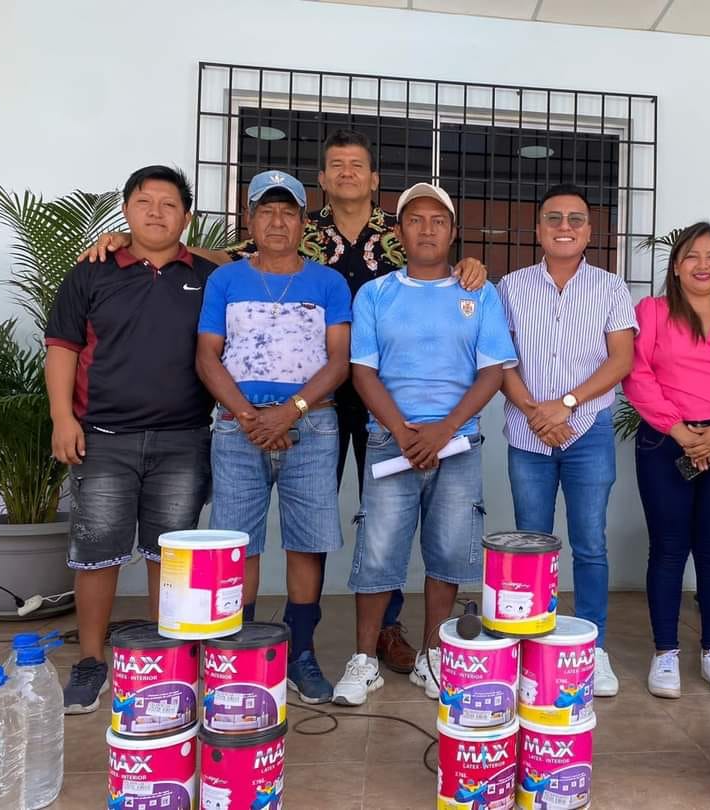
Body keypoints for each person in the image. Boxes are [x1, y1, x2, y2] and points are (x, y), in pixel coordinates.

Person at [79, 129, 488, 675]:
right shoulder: (298, 230)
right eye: (336, 164)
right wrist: (132, 244)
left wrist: (471, 263)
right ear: (321, 180)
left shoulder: (403, 228)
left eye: (356, 164)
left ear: (373, 178)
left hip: (374, 399)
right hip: (314, 402)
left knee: (375, 522)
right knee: (339, 525)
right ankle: (248, 646)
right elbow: (220, 261)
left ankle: (381, 633)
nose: (346, 172)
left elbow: (436, 264)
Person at [333, 182, 517, 706]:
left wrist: (444, 430)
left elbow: (492, 372)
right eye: (415, 220)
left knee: (449, 551)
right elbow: (362, 371)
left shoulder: (479, 293)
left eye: (438, 220)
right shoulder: (375, 294)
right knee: (378, 551)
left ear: (453, 231)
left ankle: (433, 657)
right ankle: (364, 660)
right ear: (399, 232)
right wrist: (402, 431)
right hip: (390, 439)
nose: (427, 229)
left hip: (458, 443)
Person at [44, 165, 213, 713]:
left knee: (172, 558)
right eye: (145, 202)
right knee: (96, 556)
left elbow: (257, 265)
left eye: (169, 204)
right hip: (103, 439)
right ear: (126, 210)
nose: (156, 212)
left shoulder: (208, 277)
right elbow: (62, 348)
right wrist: (62, 418)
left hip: (183, 439)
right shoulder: (91, 273)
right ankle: (92, 662)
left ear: (186, 217)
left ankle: (169, 659)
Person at [196, 170, 351, 703]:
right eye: (267, 210)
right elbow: (207, 356)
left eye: (288, 212)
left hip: (312, 425)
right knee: (238, 543)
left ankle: (300, 651)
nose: (278, 221)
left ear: (304, 222)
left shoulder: (328, 283)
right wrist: (249, 417)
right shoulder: (226, 281)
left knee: (306, 543)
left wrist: (289, 412)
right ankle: (240, 651)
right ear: (250, 219)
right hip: (238, 427)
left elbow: (339, 361)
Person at [497, 183, 636, 697]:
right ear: (538, 229)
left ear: (589, 231)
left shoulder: (610, 287)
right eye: (553, 218)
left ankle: (592, 648)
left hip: (588, 430)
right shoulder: (510, 287)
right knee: (531, 543)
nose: (564, 227)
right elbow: (500, 360)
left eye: (575, 219)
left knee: (590, 543)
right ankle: (530, 642)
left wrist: (567, 405)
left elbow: (621, 360)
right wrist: (538, 413)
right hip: (527, 431)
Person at [623, 222, 710, 698]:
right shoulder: (653, 311)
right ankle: (665, 652)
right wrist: (681, 431)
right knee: (667, 548)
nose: (702, 265)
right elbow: (637, 374)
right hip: (666, 444)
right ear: (677, 266)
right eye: (692, 256)